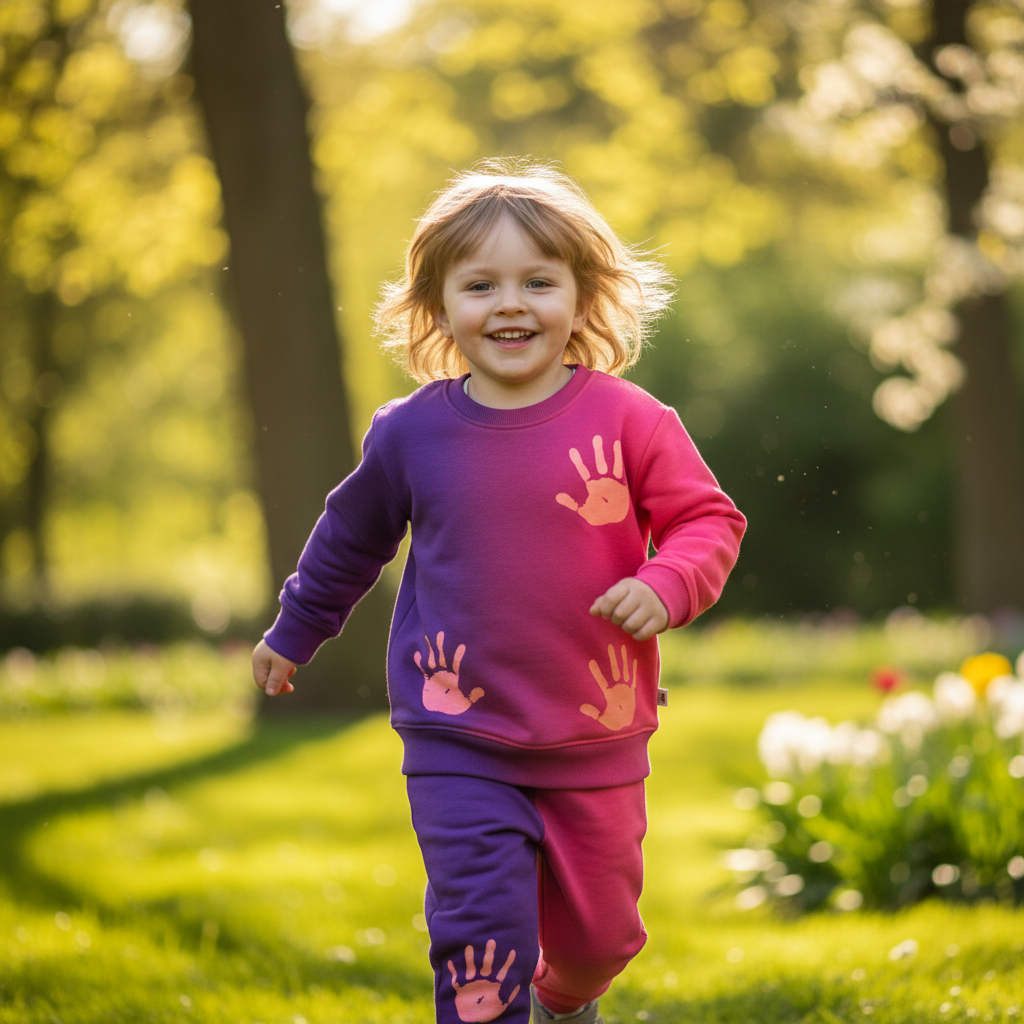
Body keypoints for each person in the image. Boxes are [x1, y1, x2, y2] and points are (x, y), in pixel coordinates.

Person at [251, 160, 746, 1024]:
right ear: (439, 308)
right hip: (458, 737)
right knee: (481, 939)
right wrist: (296, 629)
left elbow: (710, 521)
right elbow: (348, 539)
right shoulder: (411, 434)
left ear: (582, 299)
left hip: (594, 731)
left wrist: (665, 583)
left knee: (601, 942)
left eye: (537, 282)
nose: (510, 304)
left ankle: (565, 998)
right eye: (480, 284)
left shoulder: (633, 420)